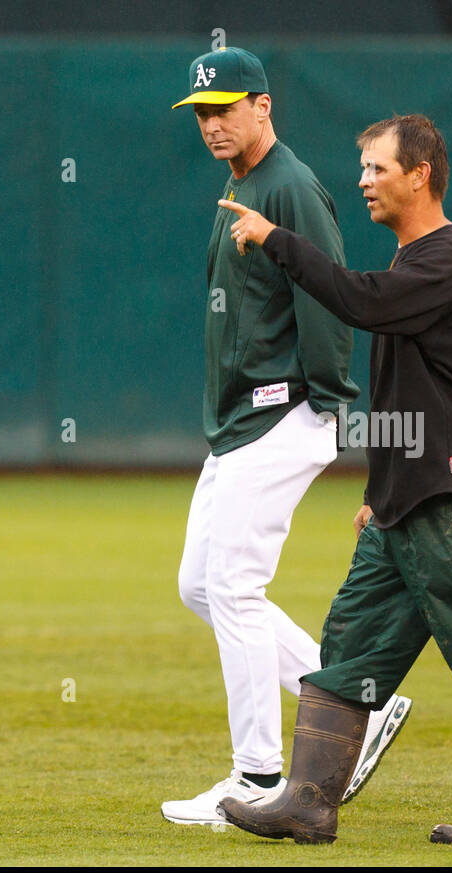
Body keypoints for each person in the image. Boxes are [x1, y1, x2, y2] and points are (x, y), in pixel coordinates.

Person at [214, 113, 452, 845]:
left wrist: (278, 240)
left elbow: (359, 303)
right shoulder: (413, 262)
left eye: (377, 168)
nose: (363, 181)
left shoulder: (450, 259)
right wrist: (376, 493)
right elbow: (403, 395)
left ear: (421, 174)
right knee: (351, 645)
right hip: (403, 500)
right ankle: (307, 800)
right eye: (363, 169)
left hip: (447, 496)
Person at [160, 47, 412, 828]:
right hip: (242, 420)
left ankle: (260, 774)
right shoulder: (244, 182)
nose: (212, 122)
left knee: (234, 588)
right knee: (200, 586)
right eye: (202, 112)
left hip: (284, 413)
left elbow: (330, 300)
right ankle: (358, 701)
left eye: (227, 107)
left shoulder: (292, 187)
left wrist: (326, 405)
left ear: (264, 106)